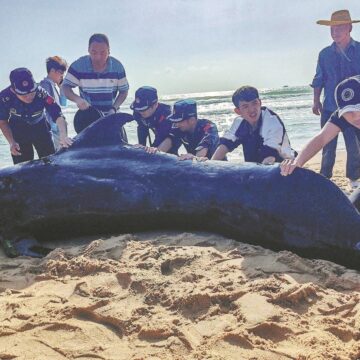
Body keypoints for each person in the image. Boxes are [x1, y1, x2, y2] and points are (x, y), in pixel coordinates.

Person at [311, 9, 360, 188]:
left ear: (349, 27)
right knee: (327, 144)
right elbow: (319, 78)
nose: (334, 31)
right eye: (332, 28)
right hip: (330, 106)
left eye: (339, 27)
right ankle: (325, 178)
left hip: (354, 109)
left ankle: (354, 180)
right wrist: (316, 101)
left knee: (353, 146)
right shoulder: (324, 54)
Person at [281, 76, 360, 177]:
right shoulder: (343, 116)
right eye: (348, 111)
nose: (356, 115)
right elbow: (321, 138)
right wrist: (297, 162)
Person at [0, 68, 72, 165]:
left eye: (31, 92)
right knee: (22, 168)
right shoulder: (5, 97)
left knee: (50, 163)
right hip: (18, 131)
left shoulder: (41, 93)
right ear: (13, 90)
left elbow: (58, 115)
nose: (29, 97)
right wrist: (11, 142)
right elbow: (3, 122)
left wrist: (63, 136)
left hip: (41, 128)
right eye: (24, 95)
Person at [62, 33, 129, 132]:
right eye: (94, 52)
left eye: (102, 53)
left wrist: (114, 108)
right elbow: (65, 87)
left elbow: (124, 91)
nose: (98, 57)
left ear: (109, 51)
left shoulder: (117, 67)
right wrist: (77, 99)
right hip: (88, 119)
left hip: (111, 116)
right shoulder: (78, 66)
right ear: (88, 50)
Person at [211, 86, 295, 164]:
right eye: (245, 106)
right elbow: (225, 145)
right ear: (238, 111)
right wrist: (211, 164)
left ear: (260, 102)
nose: (251, 109)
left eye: (254, 103)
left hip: (283, 165)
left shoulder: (272, 121)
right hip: (257, 166)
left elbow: (270, 157)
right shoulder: (239, 122)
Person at [129, 86, 176, 153]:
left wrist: (153, 149)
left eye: (143, 109)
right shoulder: (138, 112)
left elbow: (162, 138)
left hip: (172, 136)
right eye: (138, 109)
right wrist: (141, 147)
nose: (141, 112)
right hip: (158, 130)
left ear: (155, 105)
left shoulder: (167, 115)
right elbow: (142, 128)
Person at [40, 56, 68, 150]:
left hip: (57, 128)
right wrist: (52, 128)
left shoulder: (53, 86)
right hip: (53, 129)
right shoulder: (45, 85)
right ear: (52, 70)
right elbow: (45, 109)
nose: (62, 76)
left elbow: (64, 103)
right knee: (57, 156)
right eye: (61, 73)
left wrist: (61, 87)